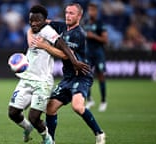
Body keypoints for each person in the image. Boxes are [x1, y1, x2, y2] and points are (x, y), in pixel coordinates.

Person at [8, 5, 90, 144]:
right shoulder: (32, 29)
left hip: (42, 82)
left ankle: (48, 139)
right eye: (31, 20)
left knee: (34, 117)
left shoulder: (48, 31)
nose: (33, 23)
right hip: (27, 79)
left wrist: (74, 61)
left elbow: (62, 45)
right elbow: (30, 33)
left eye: (37, 21)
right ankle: (27, 128)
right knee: (13, 113)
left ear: (45, 21)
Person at [32, 3, 106, 144]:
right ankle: (51, 140)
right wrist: (35, 20)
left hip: (81, 75)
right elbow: (45, 23)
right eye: (66, 12)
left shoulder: (78, 34)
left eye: (72, 13)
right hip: (68, 77)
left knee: (77, 107)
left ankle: (99, 133)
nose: (68, 15)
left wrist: (44, 46)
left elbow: (65, 55)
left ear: (79, 16)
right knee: (50, 107)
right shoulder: (61, 26)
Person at [84, 3, 108, 112]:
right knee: (86, 75)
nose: (90, 12)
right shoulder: (85, 23)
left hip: (99, 53)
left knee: (101, 76)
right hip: (88, 53)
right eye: (89, 10)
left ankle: (103, 101)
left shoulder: (100, 24)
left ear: (96, 12)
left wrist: (93, 36)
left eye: (93, 10)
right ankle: (89, 99)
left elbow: (105, 40)